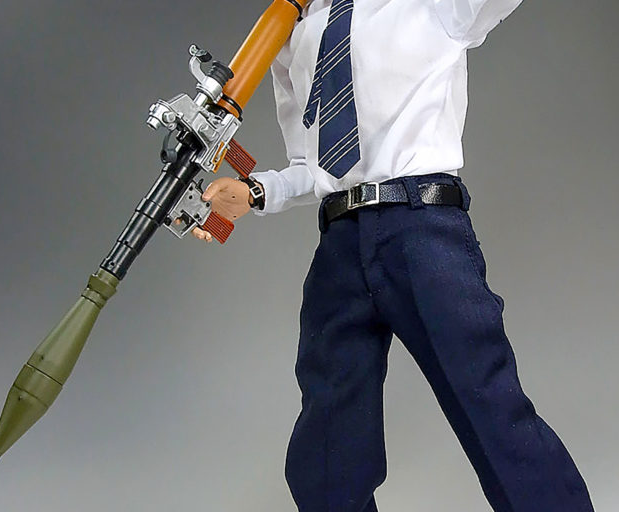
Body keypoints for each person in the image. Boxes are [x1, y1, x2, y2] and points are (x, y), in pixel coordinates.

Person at [194, 0, 594, 510]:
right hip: (340, 239)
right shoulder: (294, 35)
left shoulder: (433, 5)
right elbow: (311, 165)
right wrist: (256, 191)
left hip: (423, 228)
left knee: (487, 400)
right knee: (328, 434)